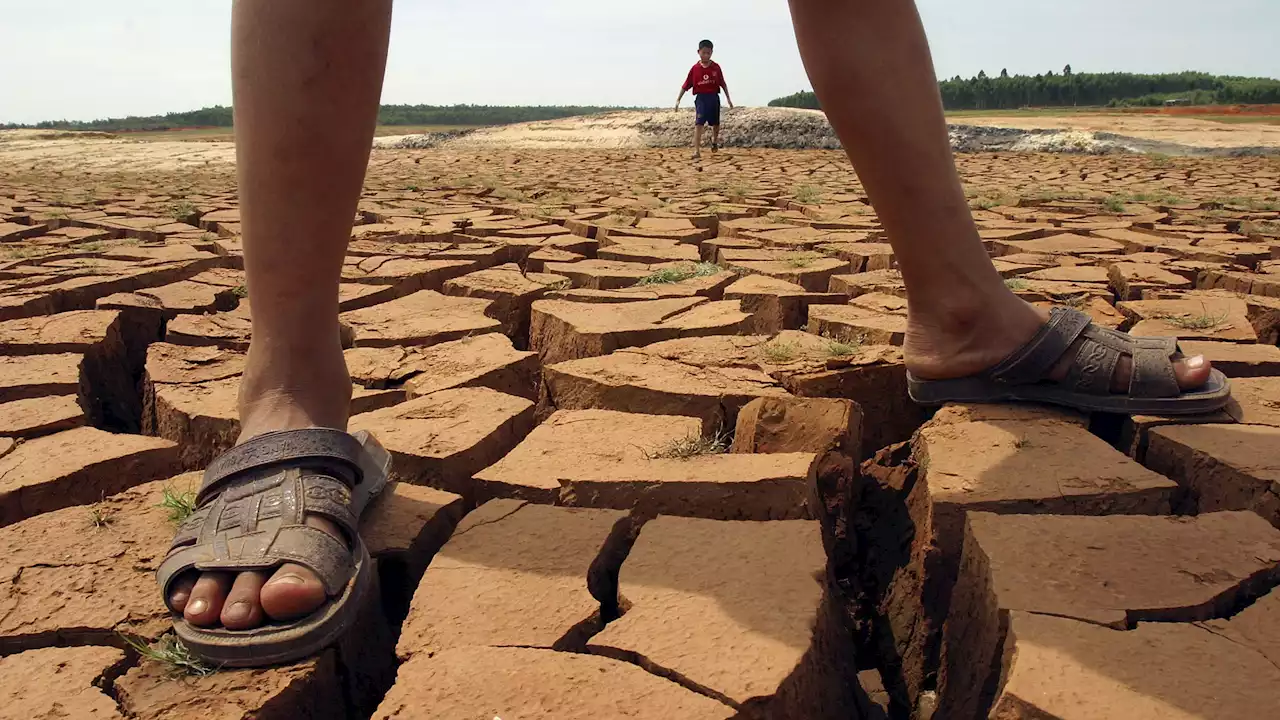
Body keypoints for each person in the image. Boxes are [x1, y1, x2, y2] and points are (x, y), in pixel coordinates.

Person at [158, 0, 1230, 667]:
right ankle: (291, 379)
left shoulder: (719, 67)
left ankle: (962, 313)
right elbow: (688, 78)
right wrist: (678, 99)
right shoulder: (698, 67)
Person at [674, 39, 733, 159]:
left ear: (712, 53)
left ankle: (714, 141)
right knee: (699, 123)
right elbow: (686, 85)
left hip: (713, 98)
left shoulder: (716, 67)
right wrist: (678, 100)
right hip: (701, 99)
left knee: (715, 123)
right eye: (704, 52)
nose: (706, 55)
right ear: (698, 52)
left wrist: (729, 99)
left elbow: (723, 83)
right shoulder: (695, 69)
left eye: (709, 53)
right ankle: (696, 151)